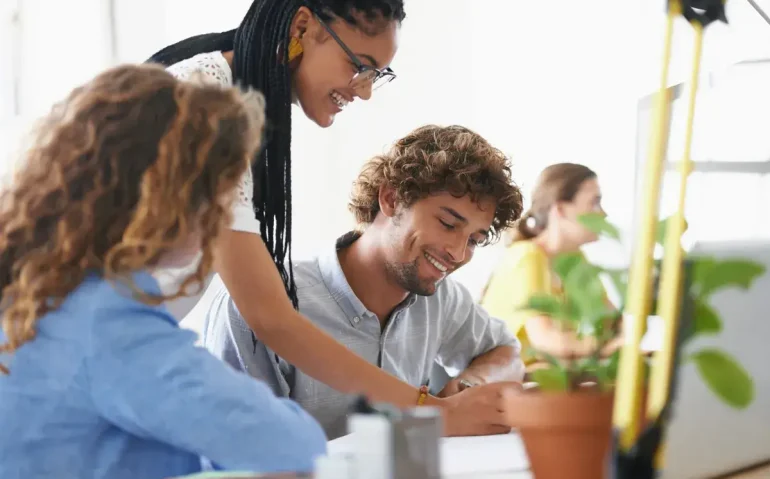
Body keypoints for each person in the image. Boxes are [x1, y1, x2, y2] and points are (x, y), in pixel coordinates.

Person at [148, 0, 518, 431]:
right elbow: (269, 318)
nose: (362, 90)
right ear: (304, 26)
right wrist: (434, 412)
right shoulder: (205, 101)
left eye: (375, 76)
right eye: (358, 65)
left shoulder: (233, 109)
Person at [0, 65, 326, 479]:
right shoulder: (107, 319)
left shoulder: (34, 287)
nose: (225, 207)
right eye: (219, 188)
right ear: (168, 194)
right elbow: (291, 443)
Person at [203, 125, 526, 439]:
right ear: (390, 199)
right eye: (447, 224)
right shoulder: (263, 301)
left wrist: (468, 390)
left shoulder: (441, 299)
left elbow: (505, 352)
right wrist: (441, 414)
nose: (458, 253)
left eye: (473, 240)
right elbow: (240, 451)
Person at [481, 163, 620, 361]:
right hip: (502, 379)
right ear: (561, 209)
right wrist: (612, 347)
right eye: (594, 202)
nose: (603, 214)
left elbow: (612, 322)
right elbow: (547, 341)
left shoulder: (575, 260)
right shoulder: (528, 257)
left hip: (539, 378)